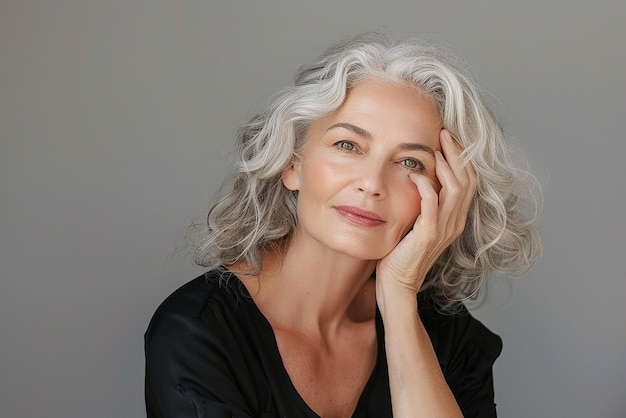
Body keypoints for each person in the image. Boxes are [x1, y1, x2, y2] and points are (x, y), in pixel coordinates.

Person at [144, 33, 542, 417]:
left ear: (444, 195)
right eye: (347, 146)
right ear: (291, 163)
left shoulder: (450, 339)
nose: (371, 184)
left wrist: (400, 300)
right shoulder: (197, 334)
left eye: (410, 163)